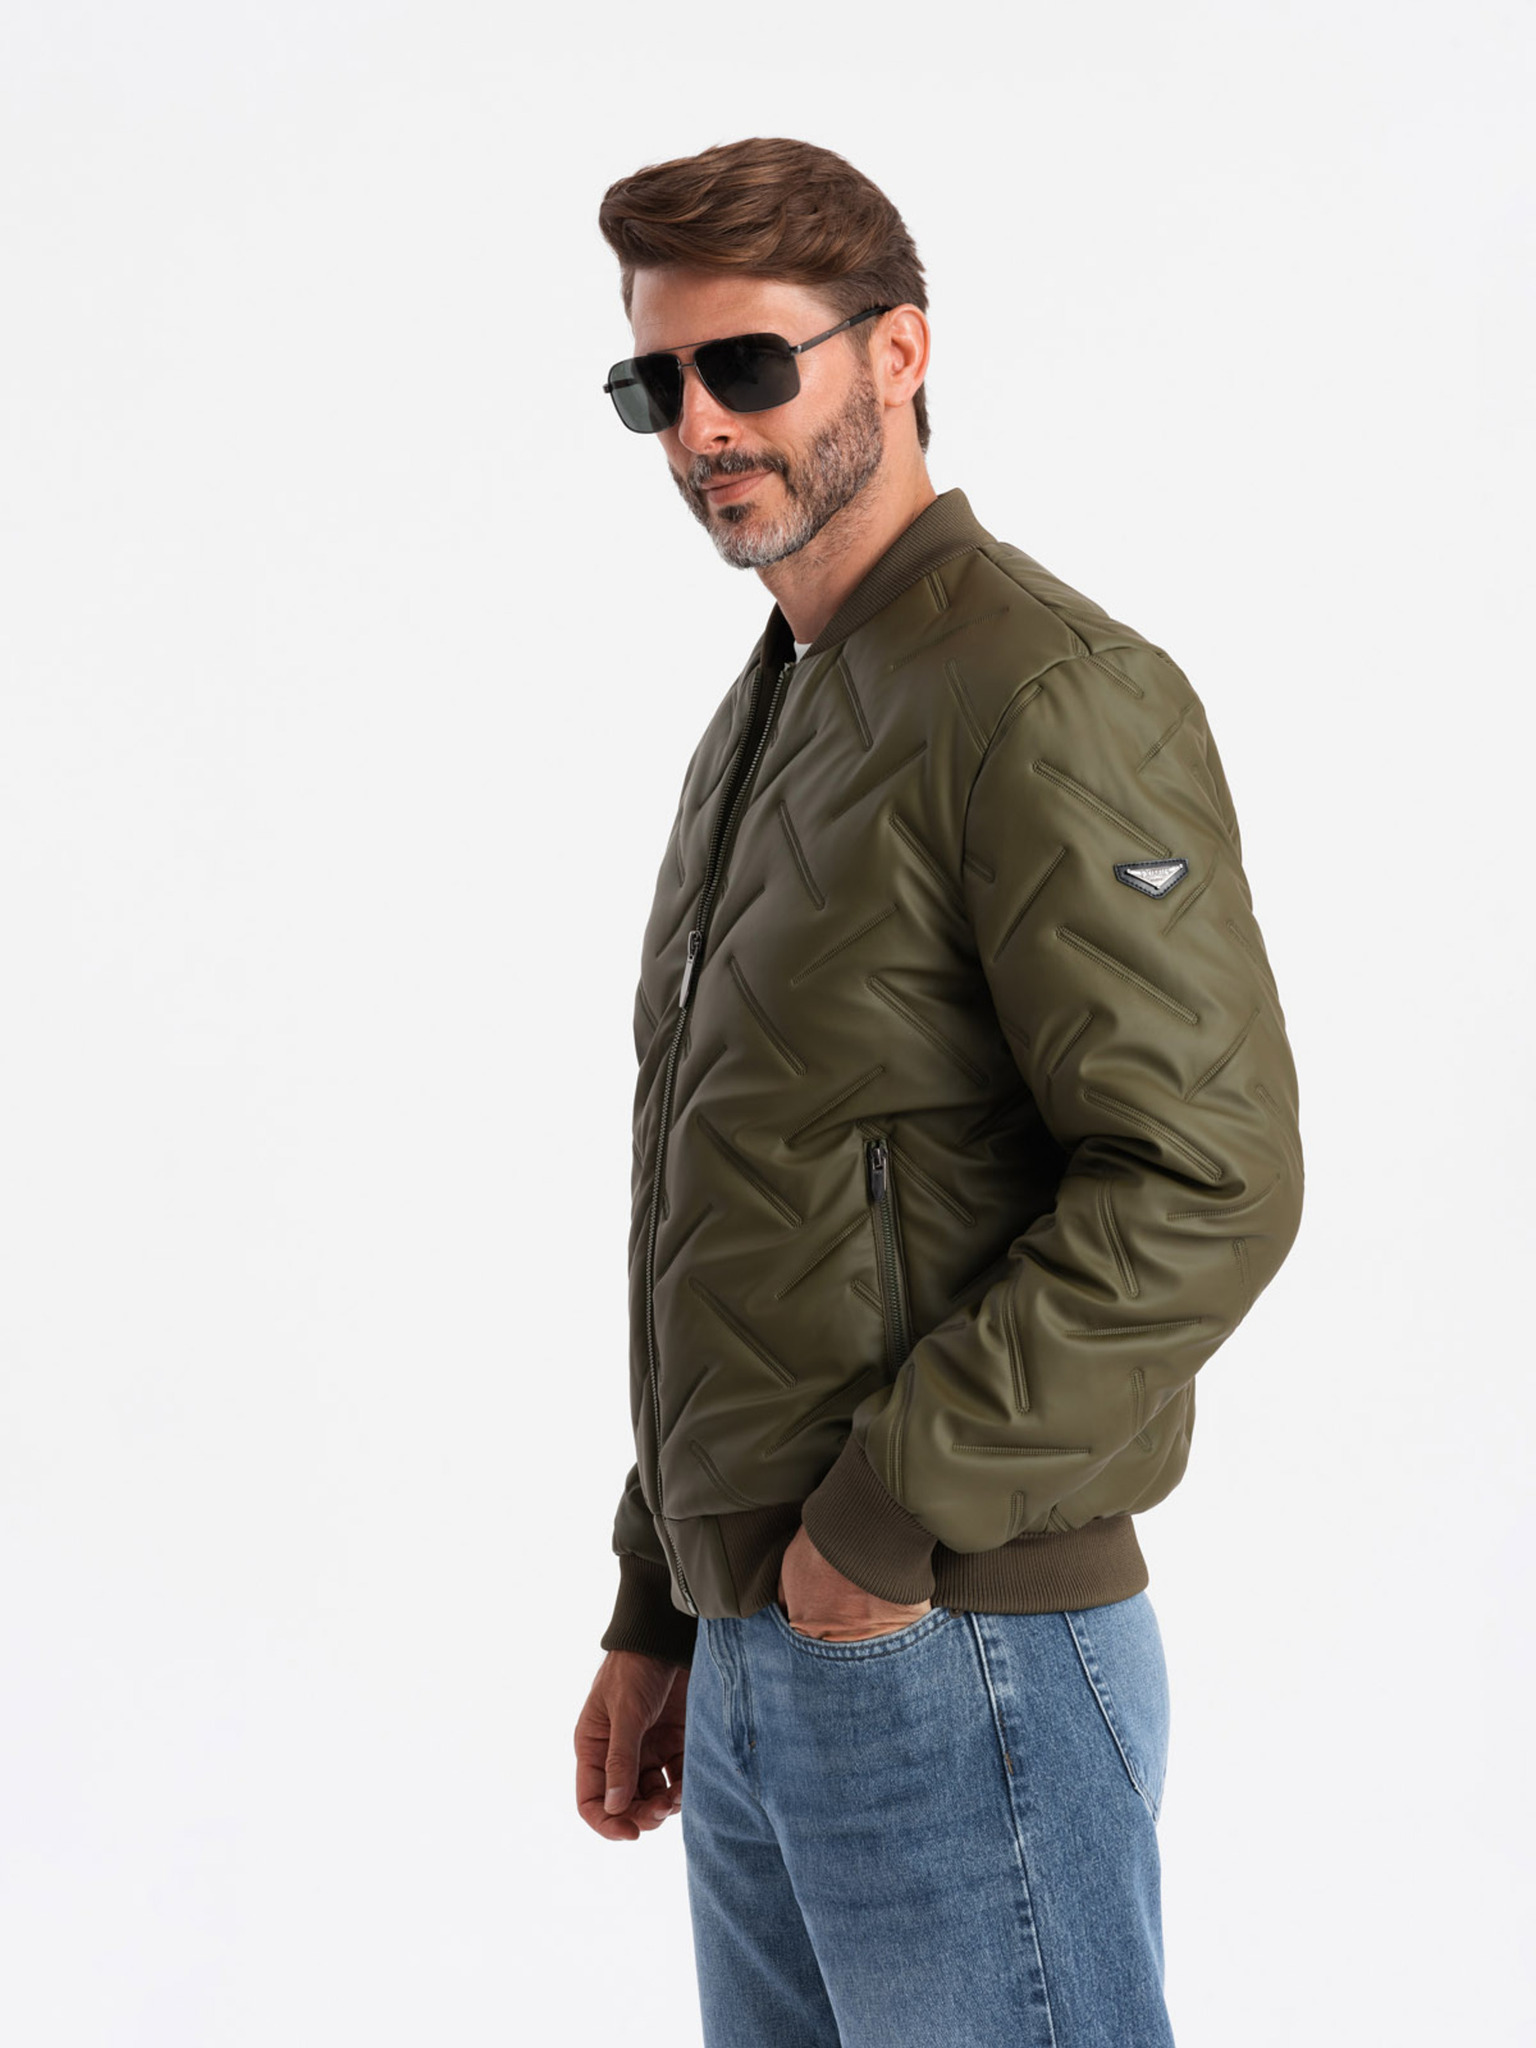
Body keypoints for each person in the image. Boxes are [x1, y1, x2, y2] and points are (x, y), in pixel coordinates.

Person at [571, 134, 1304, 2048]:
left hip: (951, 1642)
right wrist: (664, 1596)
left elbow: (1204, 1176)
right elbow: (739, 1199)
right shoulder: (779, 707)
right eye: (657, 384)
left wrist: (881, 1520)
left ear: (897, 352)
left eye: (750, 367)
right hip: (773, 1648)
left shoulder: (1042, 693)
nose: (699, 429)